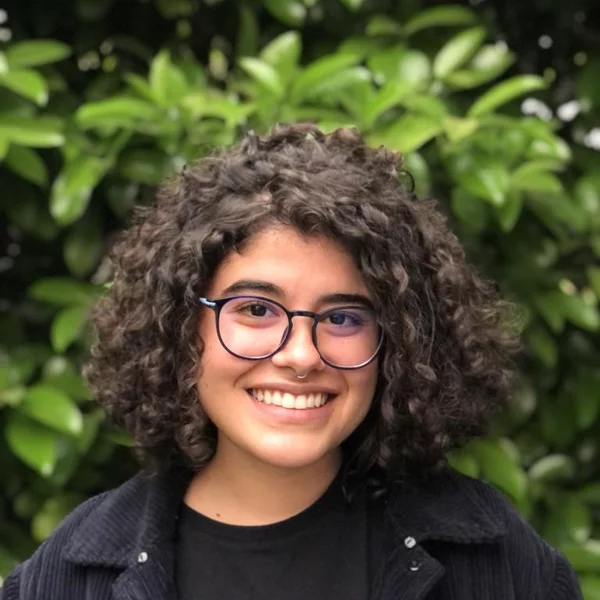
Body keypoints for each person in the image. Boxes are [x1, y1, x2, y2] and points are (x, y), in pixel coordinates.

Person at [1, 123, 582, 600]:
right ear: (181, 327)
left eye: (344, 317)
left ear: (400, 344)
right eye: (256, 309)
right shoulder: (69, 579)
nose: (301, 355)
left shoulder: (495, 561)